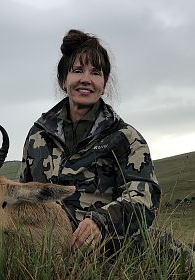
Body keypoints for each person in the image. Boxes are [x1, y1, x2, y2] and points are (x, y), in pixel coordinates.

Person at [20, 29, 161, 254]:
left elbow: (145, 199)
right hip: (45, 254)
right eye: (77, 71)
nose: (86, 79)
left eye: (95, 73)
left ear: (103, 85)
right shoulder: (38, 136)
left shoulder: (125, 137)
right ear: (63, 80)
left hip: (109, 250)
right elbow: (23, 197)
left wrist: (101, 222)